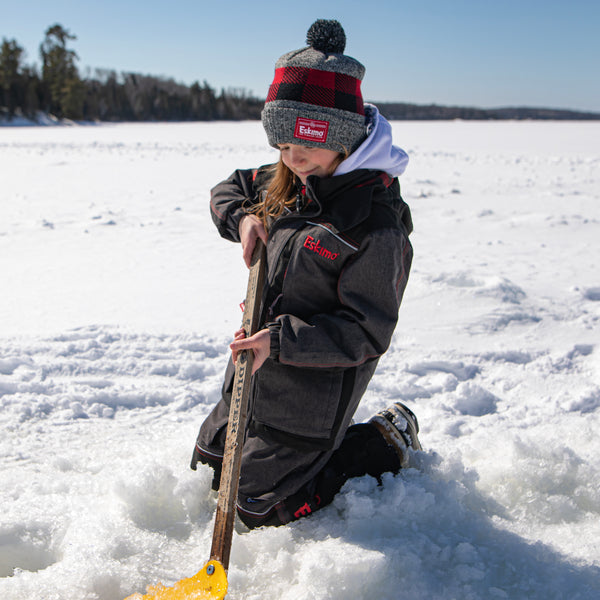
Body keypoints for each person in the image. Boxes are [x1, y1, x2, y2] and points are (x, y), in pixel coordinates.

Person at [191, 19, 422, 528]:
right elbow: (228, 188)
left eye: (304, 148)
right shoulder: (294, 177)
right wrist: (243, 217)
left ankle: (386, 438)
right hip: (250, 377)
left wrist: (279, 342)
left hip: (311, 396)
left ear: (343, 141)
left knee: (261, 508)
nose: (291, 161)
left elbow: (367, 332)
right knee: (206, 469)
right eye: (281, 148)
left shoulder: (373, 226)